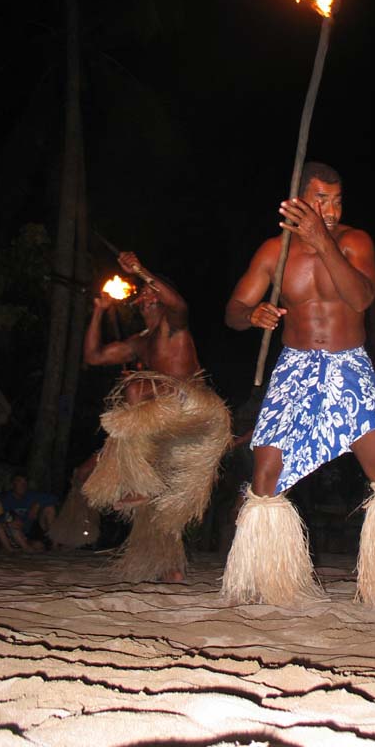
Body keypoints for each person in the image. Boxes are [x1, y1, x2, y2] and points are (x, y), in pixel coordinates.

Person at [221, 161, 375, 610]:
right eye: (321, 198)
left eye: (337, 198)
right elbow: (233, 308)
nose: (330, 208)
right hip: (295, 368)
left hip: (350, 366)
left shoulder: (353, 241)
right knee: (266, 473)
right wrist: (251, 315)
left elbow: (362, 297)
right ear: (299, 198)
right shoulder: (274, 251)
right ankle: (272, 583)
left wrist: (322, 239)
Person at [81, 250, 232, 583]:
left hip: (193, 407)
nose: (148, 297)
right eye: (144, 295)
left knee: (134, 389)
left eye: (154, 292)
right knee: (156, 506)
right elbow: (93, 356)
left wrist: (141, 271)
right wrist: (99, 312)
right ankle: (170, 567)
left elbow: (179, 304)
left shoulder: (173, 327)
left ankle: (138, 478)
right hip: (166, 426)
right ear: (137, 306)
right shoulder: (139, 342)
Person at [0, 472, 58, 552]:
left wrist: (38, 504)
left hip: (28, 532)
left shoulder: (31, 495)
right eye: (19, 482)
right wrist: (8, 522)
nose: (23, 485)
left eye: (25, 483)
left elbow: (54, 498)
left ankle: (54, 545)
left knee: (50, 508)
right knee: (13, 527)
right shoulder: (4, 498)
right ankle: (23, 548)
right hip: (11, 532)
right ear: (13, 484)